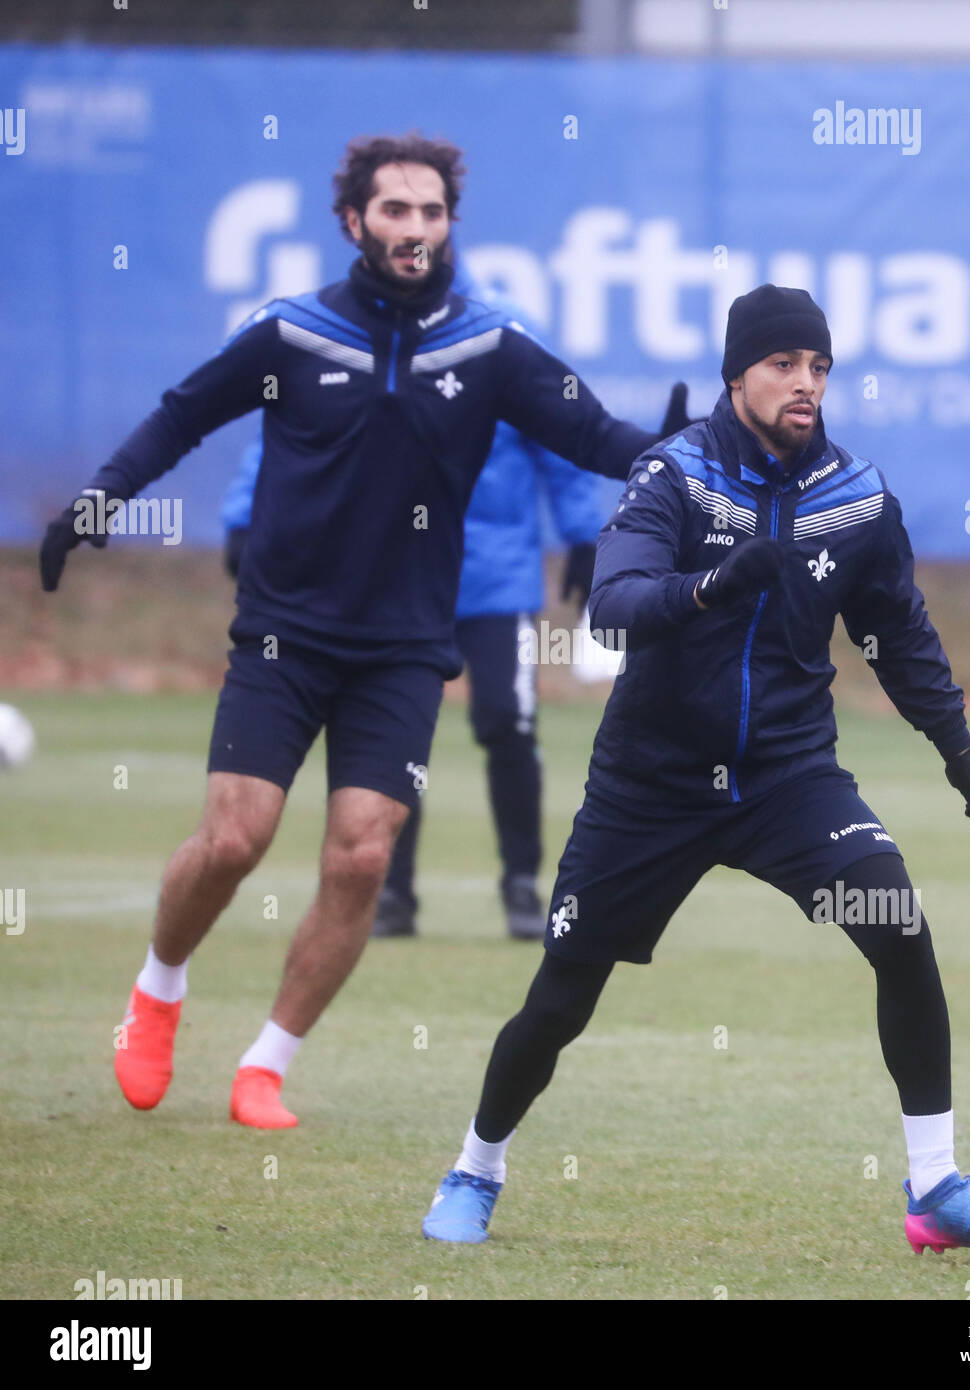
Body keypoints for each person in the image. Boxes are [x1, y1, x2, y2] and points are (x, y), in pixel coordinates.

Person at [39, 131, 679, 1130]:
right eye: (394, 211)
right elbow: (180, 415)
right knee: (235, 838)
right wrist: (96, 503)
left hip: (404, 646)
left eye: (430, 212)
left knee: (361, 856)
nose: (413, 228)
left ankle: (266, 1062)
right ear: (354, 220)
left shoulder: (489, 347)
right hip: (285, 632)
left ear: (448, 224)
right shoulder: (291, 334)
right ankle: (158, 989)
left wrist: (671, 449)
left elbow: (593, 434)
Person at [422, 284, 970, 1257]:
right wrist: (710, 583)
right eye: (782, 365)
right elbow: (613, 605)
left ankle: (934, 1189)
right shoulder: (671, 475)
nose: (805, 383)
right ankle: (474, 1168)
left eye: (818, 366)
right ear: (735, 374)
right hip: (652, 784)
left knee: (898, 926)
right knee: (560, 998)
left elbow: (899, 638)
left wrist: (964, 762)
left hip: (788, 779)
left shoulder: (855, 495)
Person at [220, 262, 624, 942]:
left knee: (507, 722)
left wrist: (584, 535)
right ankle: (391, 894)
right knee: (391, 736)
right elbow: (294, 431)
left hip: (494, 577)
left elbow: (562, 440)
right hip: (392, 581)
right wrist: (242, 515)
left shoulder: (499, 332)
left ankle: (522, 886)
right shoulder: (351, 332)